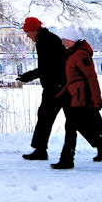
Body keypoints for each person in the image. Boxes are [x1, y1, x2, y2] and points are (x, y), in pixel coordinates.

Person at [49, 26, 102, 170]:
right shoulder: (73, 54)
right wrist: (60, 94)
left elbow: (91, 78)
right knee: (98, 127)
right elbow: (73, 80)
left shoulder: (80, 55)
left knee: (73, 127)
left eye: (64, 40)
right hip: (79, 98)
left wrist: (96, 100)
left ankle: (67, 160)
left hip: (84, 100)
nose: (63, 43)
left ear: (70, 39)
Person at [17, 17, 74, 161]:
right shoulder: (48, 38)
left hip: (56, 86)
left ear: (34, 30)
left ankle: (41, 150)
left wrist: (28, 76)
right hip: (61, 84)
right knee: (73, 119)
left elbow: (47, 67)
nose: (28, 36)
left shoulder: (44, 41)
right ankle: (101, 144)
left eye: (28, 32)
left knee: (46, 116)